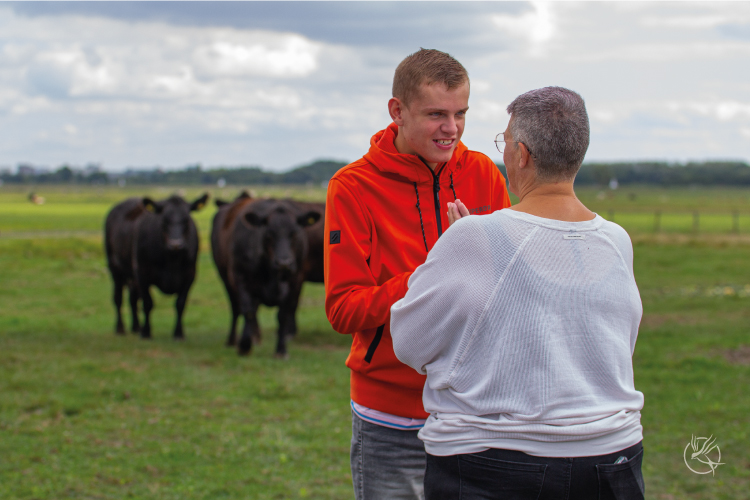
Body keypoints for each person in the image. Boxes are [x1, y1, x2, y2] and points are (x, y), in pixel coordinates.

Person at [391, 86, 646, 500]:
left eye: (504, 141)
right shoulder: (617, 240)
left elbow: (408, 341)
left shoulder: (474, 234)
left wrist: (454, 245)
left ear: (522, 155)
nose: (503, 152)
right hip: (612, 456)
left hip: (492, 461)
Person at [324, 49, 512, 500]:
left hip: (473, 408)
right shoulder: (352, 187)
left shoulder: (484, 173)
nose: (452, 129)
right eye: (435, 115)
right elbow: (343, 309)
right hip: (390, 416)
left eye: (460, 113)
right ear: (397, 111)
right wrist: (433, 272)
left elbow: (511, 284)